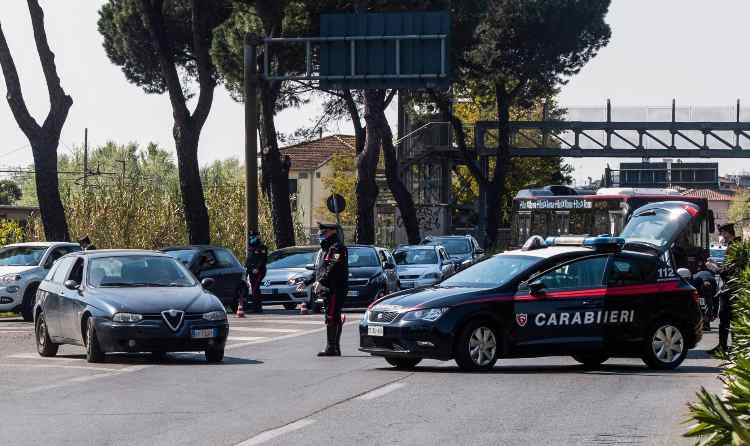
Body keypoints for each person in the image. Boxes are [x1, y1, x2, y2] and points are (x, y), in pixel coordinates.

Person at [299, 223, 348, 356]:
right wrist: (307, 282)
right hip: (329, 288)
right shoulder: (327, 249)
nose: (322, 235)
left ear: (332, 232)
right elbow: (320, 270)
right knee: (333, 316)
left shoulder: (337, 248)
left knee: (331, 316)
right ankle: (334, 347)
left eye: (324, 232)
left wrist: (321, 281)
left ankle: (331, 347)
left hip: (335, 288)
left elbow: (333, 267)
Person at [707, 222, 741, 354]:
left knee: (728, 318)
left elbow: (731, 271)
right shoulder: (734, 246)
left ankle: (729, 347)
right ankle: (726, 346)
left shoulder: (735, 247)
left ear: (727, 232)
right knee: (726, 318)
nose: (721, 236)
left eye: (722, 233)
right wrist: (716, 263)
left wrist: (716, 269)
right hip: (731, 288)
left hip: (731, 288)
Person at [245, 231, 268, 314]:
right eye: (251, 237)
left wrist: (257, 268)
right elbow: (248, 260)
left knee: (255, 288)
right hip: (251, 271)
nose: (251, 238)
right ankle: (256, 307)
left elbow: (263, 259)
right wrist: (247, 270)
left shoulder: (262, 247)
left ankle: (257, 307)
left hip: (259, 271)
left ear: (258, 237)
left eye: (253, 237)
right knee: (255, 289)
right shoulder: (250, 247)